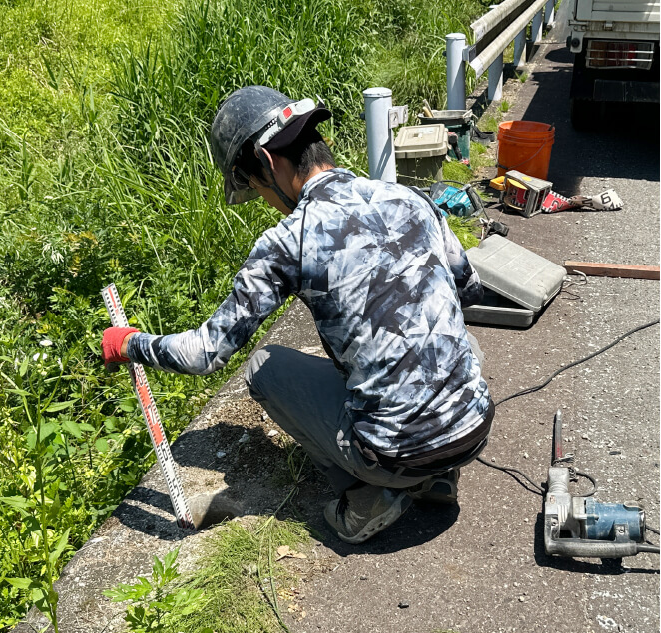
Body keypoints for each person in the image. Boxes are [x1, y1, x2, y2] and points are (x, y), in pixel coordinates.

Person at [102, 85, 494, 544]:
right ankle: (439, 476)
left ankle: (370, 498)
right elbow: (467, 288)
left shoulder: (288, 242)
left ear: (268, 164)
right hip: (475, 427)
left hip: (393, 452)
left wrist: (129, 342)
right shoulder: (410, 198)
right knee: (456, 342)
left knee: (263, 368)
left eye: (253, 187)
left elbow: (204, 353)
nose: (265, 201)